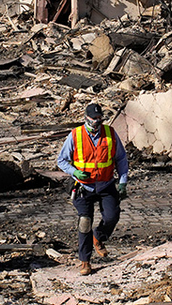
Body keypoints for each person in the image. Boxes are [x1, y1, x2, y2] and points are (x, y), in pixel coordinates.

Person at [55, 102, 129, 275]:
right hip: (83, 187)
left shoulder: (110, 134)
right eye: (93, 118)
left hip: (106, 184)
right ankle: (85, 261)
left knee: (112, 216)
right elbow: (62, 160)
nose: (97, 121)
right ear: (86, 118)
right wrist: (75, 173)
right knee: (85, 222)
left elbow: (121, 159)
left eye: (99, 118)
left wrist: (123, 181)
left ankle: (99, 237)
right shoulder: (75, 135)